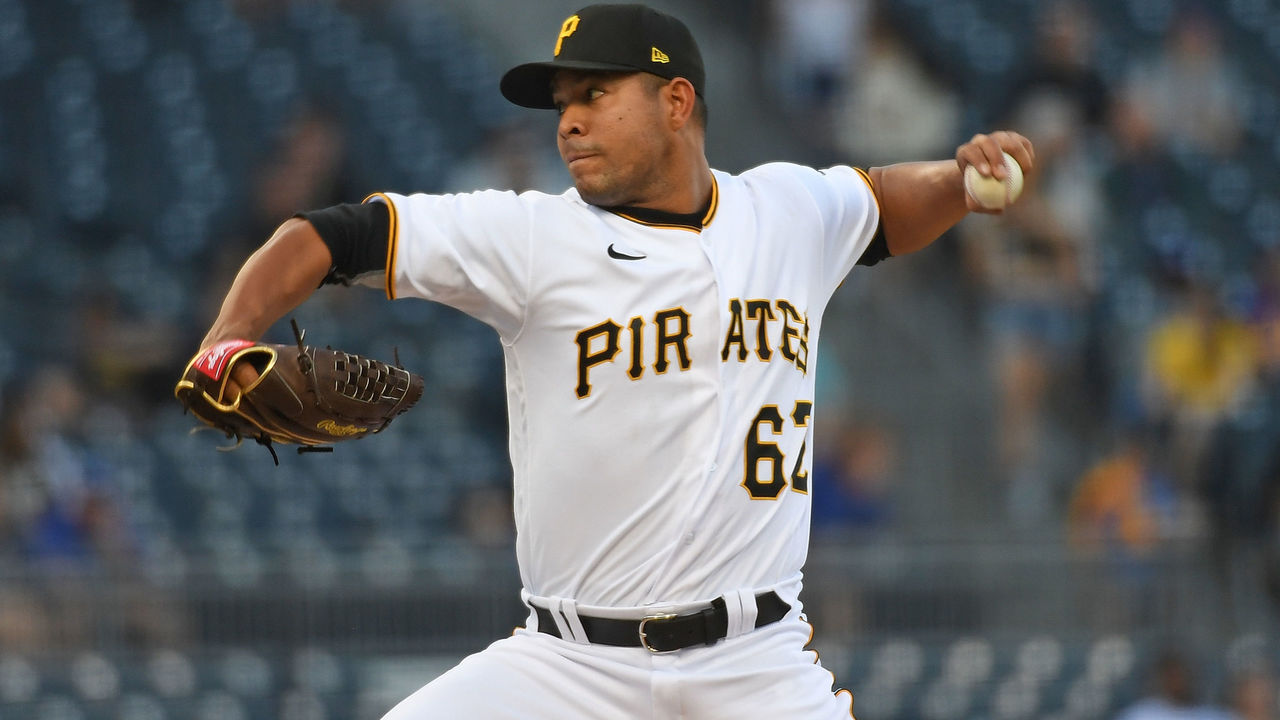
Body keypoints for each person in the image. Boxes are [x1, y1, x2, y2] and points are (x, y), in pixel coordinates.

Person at [191, 5, 1033, 717]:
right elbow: (330, 235)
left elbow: (883, 203)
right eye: (561, 101)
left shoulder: (788, 210)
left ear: (676, 101)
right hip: (567, 669)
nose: (568, 120)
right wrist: (226, 341)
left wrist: (958, 183)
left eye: (594, 93)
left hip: (758, 667)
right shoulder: (532, 237)